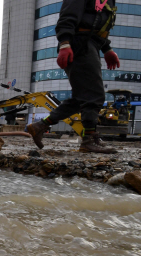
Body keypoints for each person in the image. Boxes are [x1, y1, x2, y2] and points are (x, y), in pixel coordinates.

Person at [26, 0, 119, 153]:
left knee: (81, 97)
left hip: (91, 43)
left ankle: (40, 126)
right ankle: (88, 139)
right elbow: (67, 17)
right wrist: (64, 43)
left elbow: (98, 25)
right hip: (79, 43)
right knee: (94, 94)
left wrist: (107, 48)